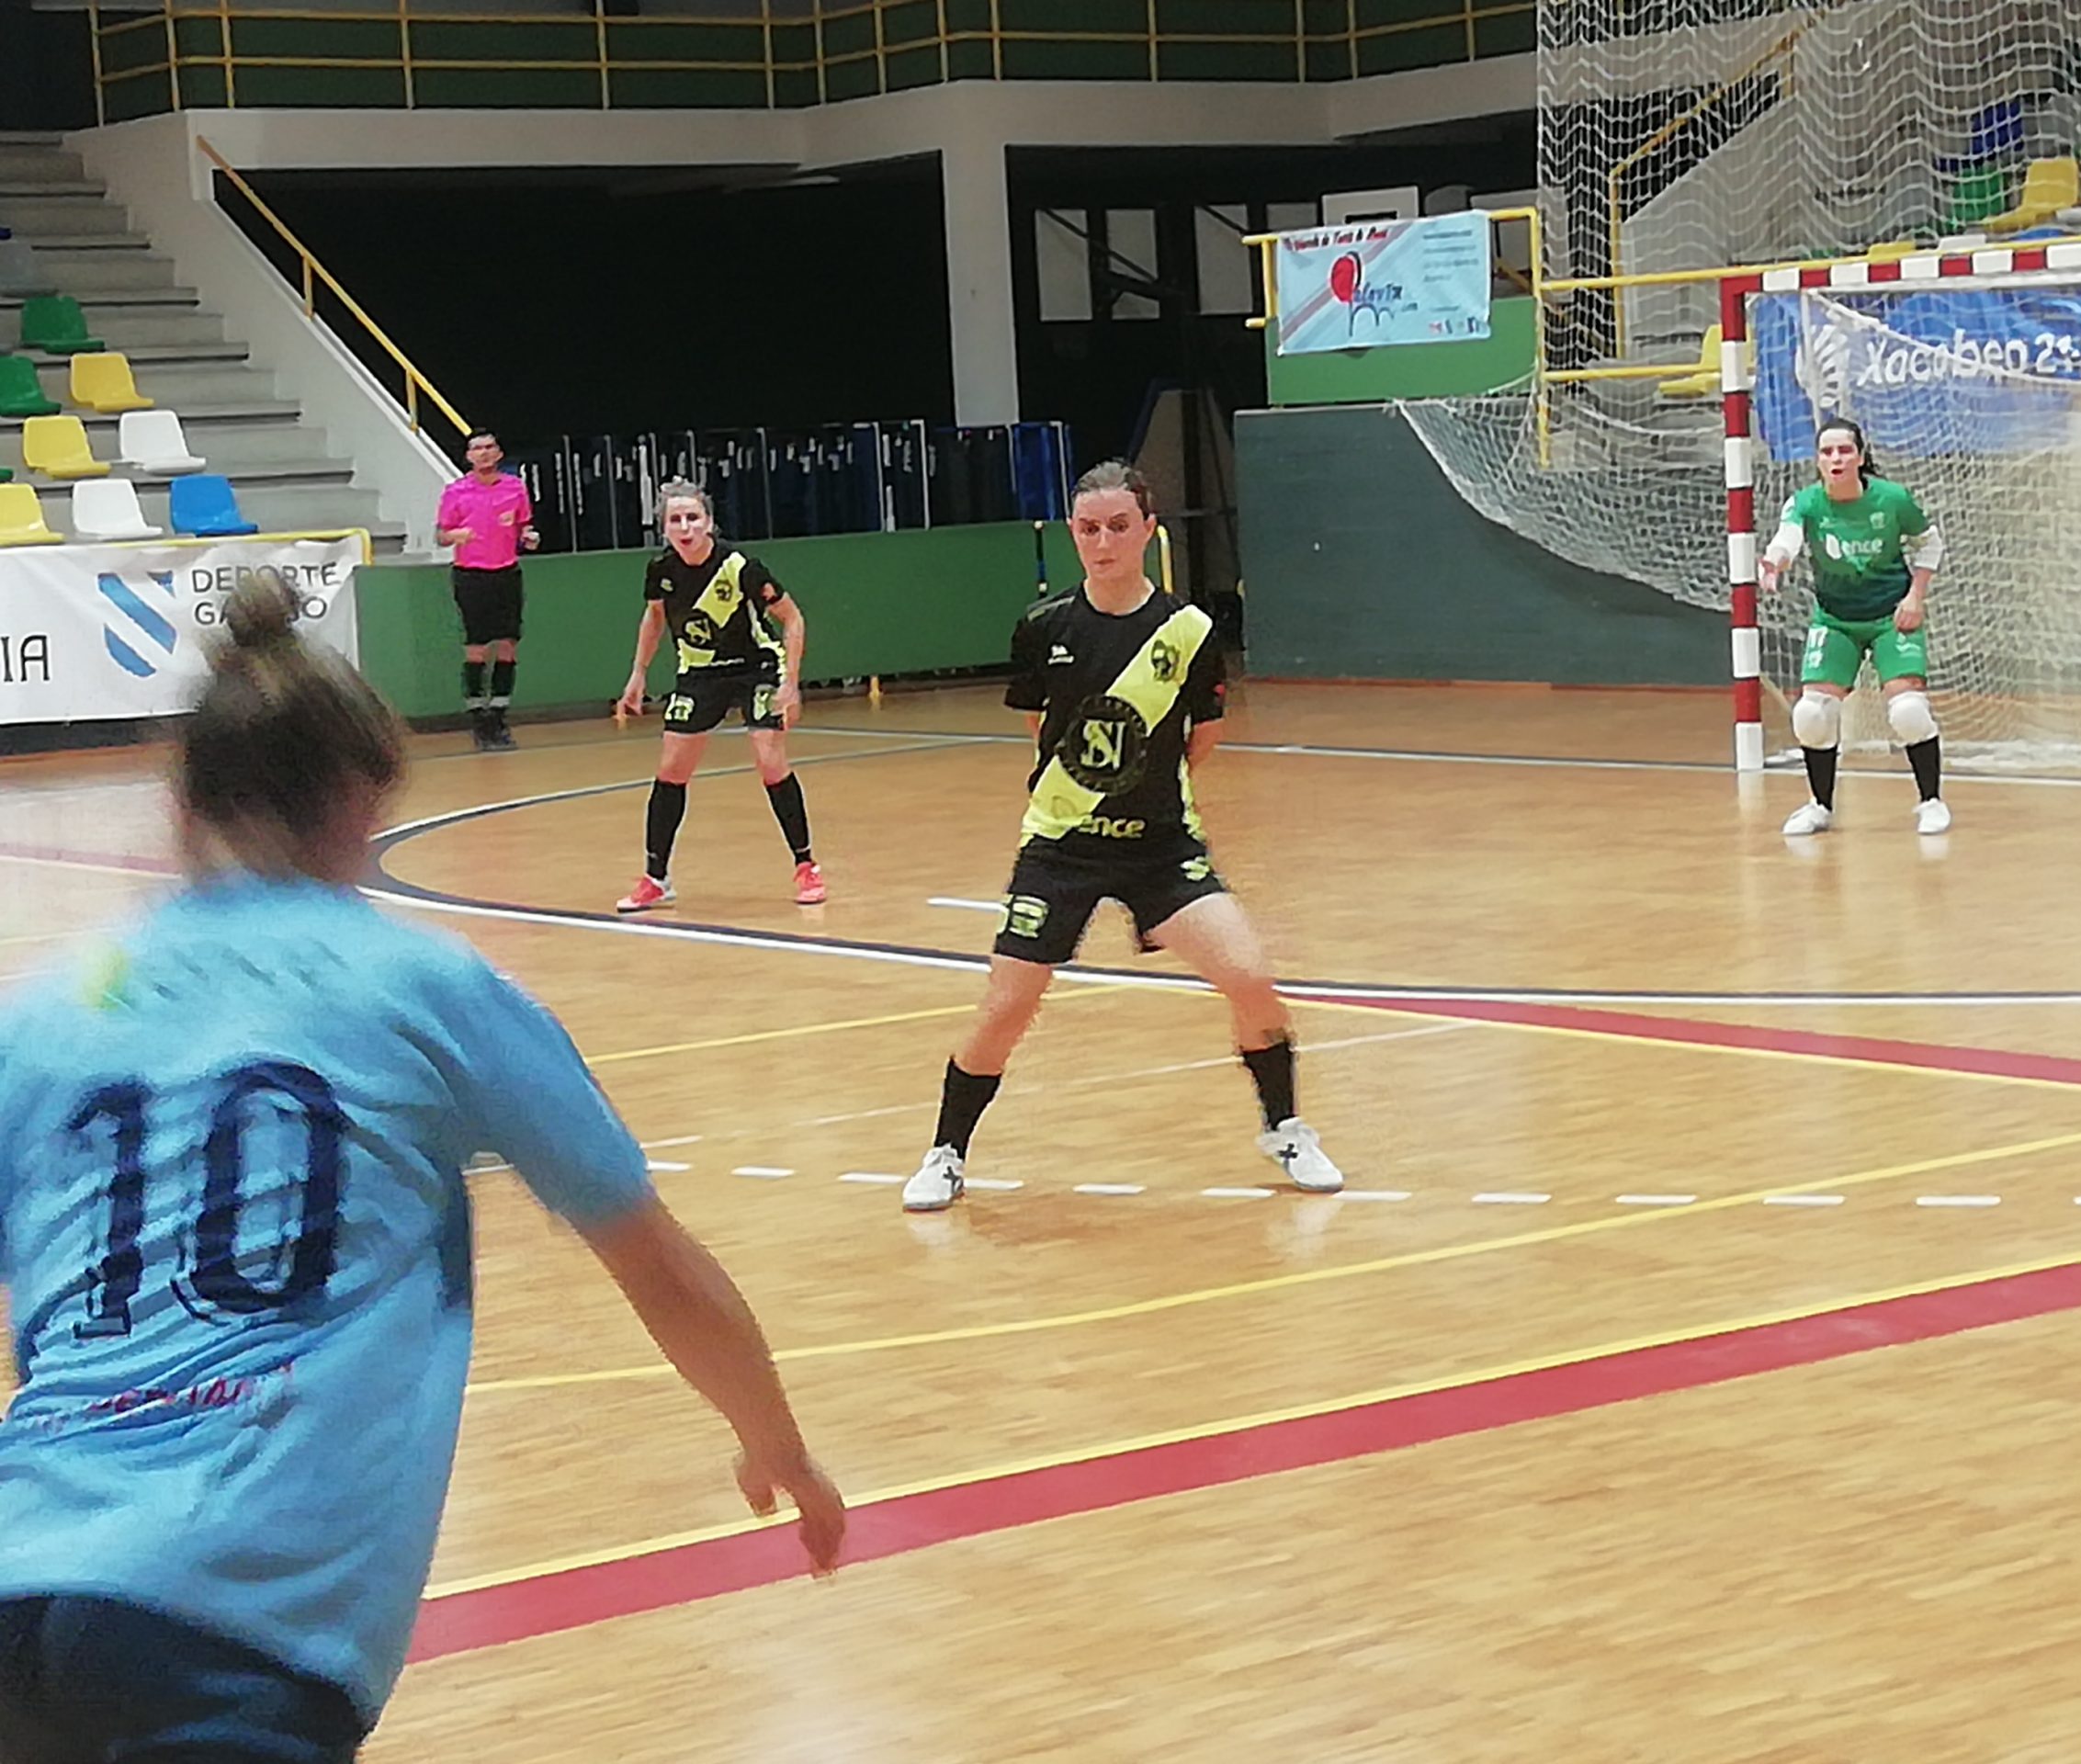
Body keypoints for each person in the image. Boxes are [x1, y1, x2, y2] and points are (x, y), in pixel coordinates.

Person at [0, 580, 845, 1761]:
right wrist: (780, 1443)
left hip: (22, 1582)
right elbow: (657, 1266)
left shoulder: (41, 1015)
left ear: (181, 805)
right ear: (360, 798)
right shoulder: (425, 990)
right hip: (238, 1616)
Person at [901, 460, 1343, 1212]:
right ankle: (946, 1152)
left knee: (1250, 978)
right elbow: (1044, 734)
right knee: (1007, 1008)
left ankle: (1286, 1127)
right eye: (1087, 528)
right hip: (1060, 849)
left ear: (1147, 530)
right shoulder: (1045, 628)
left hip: (1161, 850)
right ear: (1072, 534)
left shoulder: (1188, 631)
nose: (1102, 542)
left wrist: (1148, 797)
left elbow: (1201, 737)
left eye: (1116, 527)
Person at [616, 481, 826, 912]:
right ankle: (656, 878)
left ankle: (806, 867)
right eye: (675, 519)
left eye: (693, 517)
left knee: (769, 757)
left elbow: (793, 618)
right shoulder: (661, 571)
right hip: (699, 673)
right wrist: (638, 674)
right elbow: (654, 620)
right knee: (671, 769)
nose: (685, 526)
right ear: (665, 528)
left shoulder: (739, 565)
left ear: (709, 522)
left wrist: (791, 683)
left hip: (757, 668)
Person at [1760, 419, 1952, 837]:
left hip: (1892, 617)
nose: (1836, 459)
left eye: (1844, 451)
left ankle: (1931, 801)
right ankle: (1819, 806)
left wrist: (1915, 597)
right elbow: (1787, 538)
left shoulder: (1892, 499)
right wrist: (1775, 562)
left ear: (1861, 458)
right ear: (1817, 461)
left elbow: (1930, 545)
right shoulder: (1806, 503)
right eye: (1827, 452)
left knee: (1908, 712)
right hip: (1835, 620)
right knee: (1811, 715)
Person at [433, 428, 539, 752]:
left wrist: (530, 537)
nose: (483, 453)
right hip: (471, 575)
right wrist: (456, 536)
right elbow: (440, 535)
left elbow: (524, 526)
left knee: (508, 644)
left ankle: (499, 717)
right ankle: (479, 720)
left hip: (506, 573)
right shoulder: (456, 492)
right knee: (477, 647)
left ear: (499, 453)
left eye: (489, 447)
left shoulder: (514, 488)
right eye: (477, 448)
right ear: (468, 456)